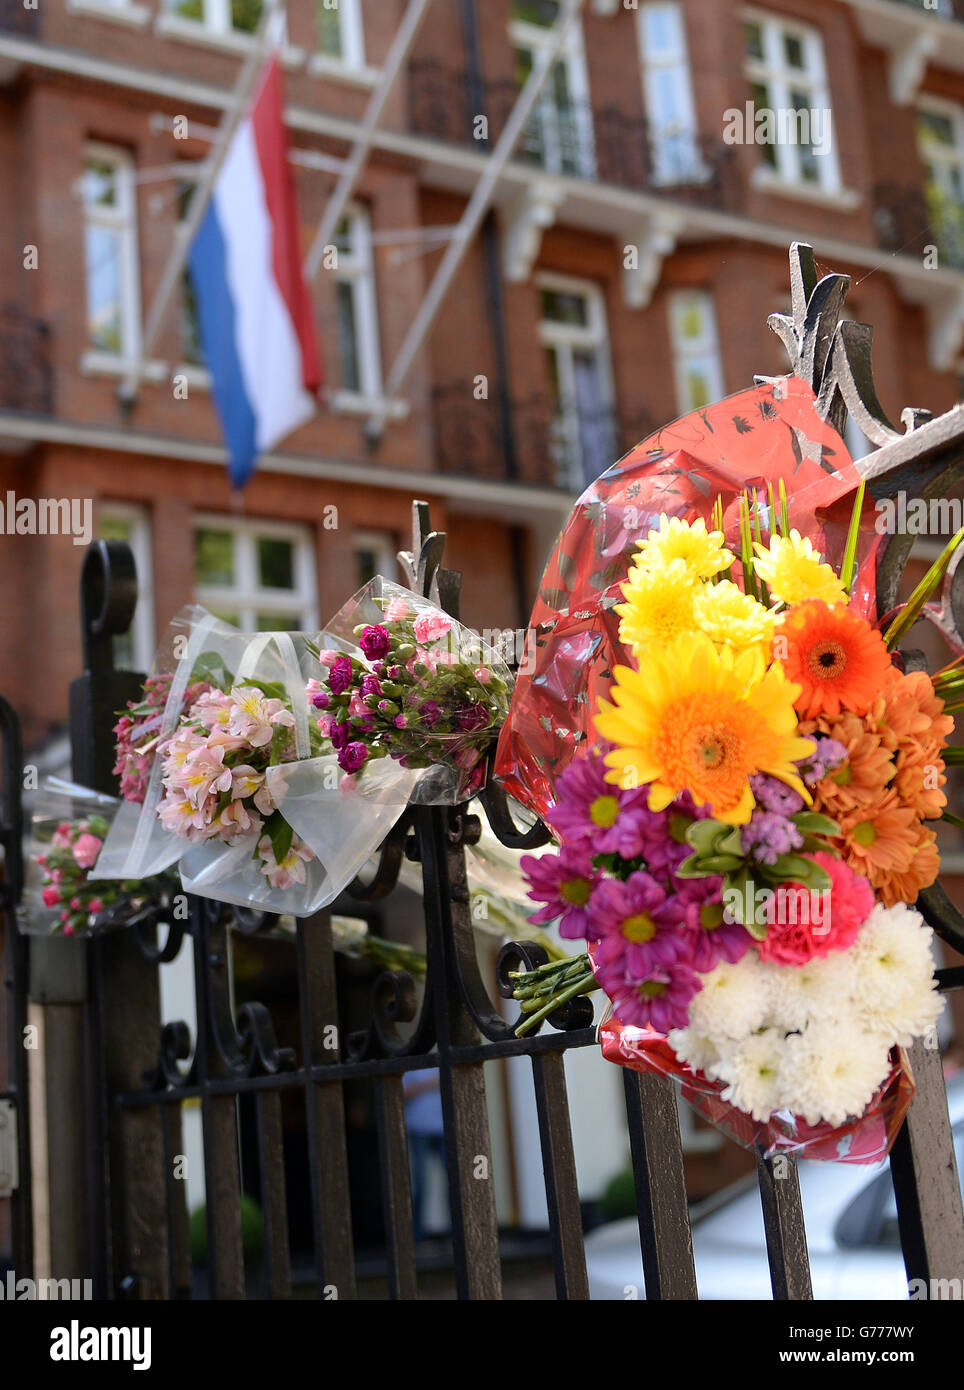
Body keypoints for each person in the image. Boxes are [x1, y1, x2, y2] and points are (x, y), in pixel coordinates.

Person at [402, 1067, 446, 1242]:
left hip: (443, 1126)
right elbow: (401, 1092)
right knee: (420, 1181)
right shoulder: (409, 1063)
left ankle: (457, 1229)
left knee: (453, 1180)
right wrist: (428, 1084)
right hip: (418, 1126)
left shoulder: (441, 1058)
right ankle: (417, 1233)